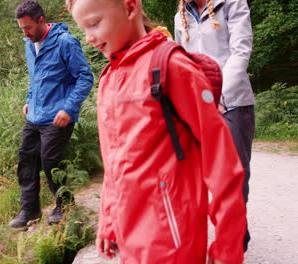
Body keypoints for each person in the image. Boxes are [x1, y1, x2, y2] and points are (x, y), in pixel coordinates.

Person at [67, 0, 246, 263]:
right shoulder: (108, 79)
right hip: (130, 236)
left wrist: (227, 248)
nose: (89, 37)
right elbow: (113, 163)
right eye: (83, 29)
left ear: (130, 8)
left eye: (94, 23)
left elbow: (222, 161)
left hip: (172, 241)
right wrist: (108, 218)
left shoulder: (169, 67)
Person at [175, 0, 255, 251]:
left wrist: (217, 95)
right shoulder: (180, 17)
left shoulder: (233, 4)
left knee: (233, 174)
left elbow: (240, 50)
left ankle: (232, 240)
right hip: (196, 107)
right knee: (194, 174)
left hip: (232, 103)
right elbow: (182, 62)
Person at [9, 0, 94, 228]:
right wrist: (29, 100)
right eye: (22, 30)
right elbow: (35, 79)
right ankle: (30, 209)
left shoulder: (65, 42)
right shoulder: (29, 44)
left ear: (41, 21)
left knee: (50, 162)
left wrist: (69, 108)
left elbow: (85, 77)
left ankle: (65, 206)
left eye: (28, 28)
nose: (26, 34)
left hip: (58, 115)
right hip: (35, 115)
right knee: (26, 160)